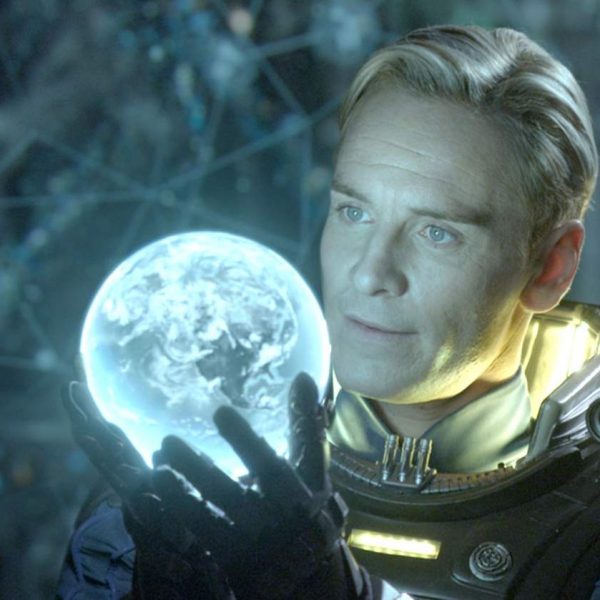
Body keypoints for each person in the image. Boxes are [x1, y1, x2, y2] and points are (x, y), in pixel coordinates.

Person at [56, 24, 600, 599]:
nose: (369, 273)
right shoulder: (168, 489)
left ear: (550, 267)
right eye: (354, 213)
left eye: (437, 232)